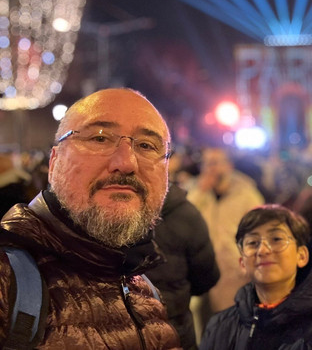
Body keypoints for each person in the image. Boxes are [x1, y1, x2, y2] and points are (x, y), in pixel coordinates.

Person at [0, 88, 181, 349]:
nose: (127, 163)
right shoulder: (7, 279)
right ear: (54, 162)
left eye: (146, 145)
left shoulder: (144, 289)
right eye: (100, 138)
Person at [199, 205, 312, 350]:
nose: (263, 250)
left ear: (302, 255)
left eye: (276, 239)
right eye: (253, 243)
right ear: (242, 263)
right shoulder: (220, 326)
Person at [187, 147, 264, 321]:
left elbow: (259, 230)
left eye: (215, 163)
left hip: (235, 274)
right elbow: (184, 219)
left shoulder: (246, 193)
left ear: (228, 166)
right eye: (206, 164)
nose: (210, 169)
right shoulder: (197, 191)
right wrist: (200, 191)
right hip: (201, 272)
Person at [145, 182, 220, 350]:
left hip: (123, 330)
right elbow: (207, 276)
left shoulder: (112, 211)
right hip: (175, 325)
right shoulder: (187, 214)